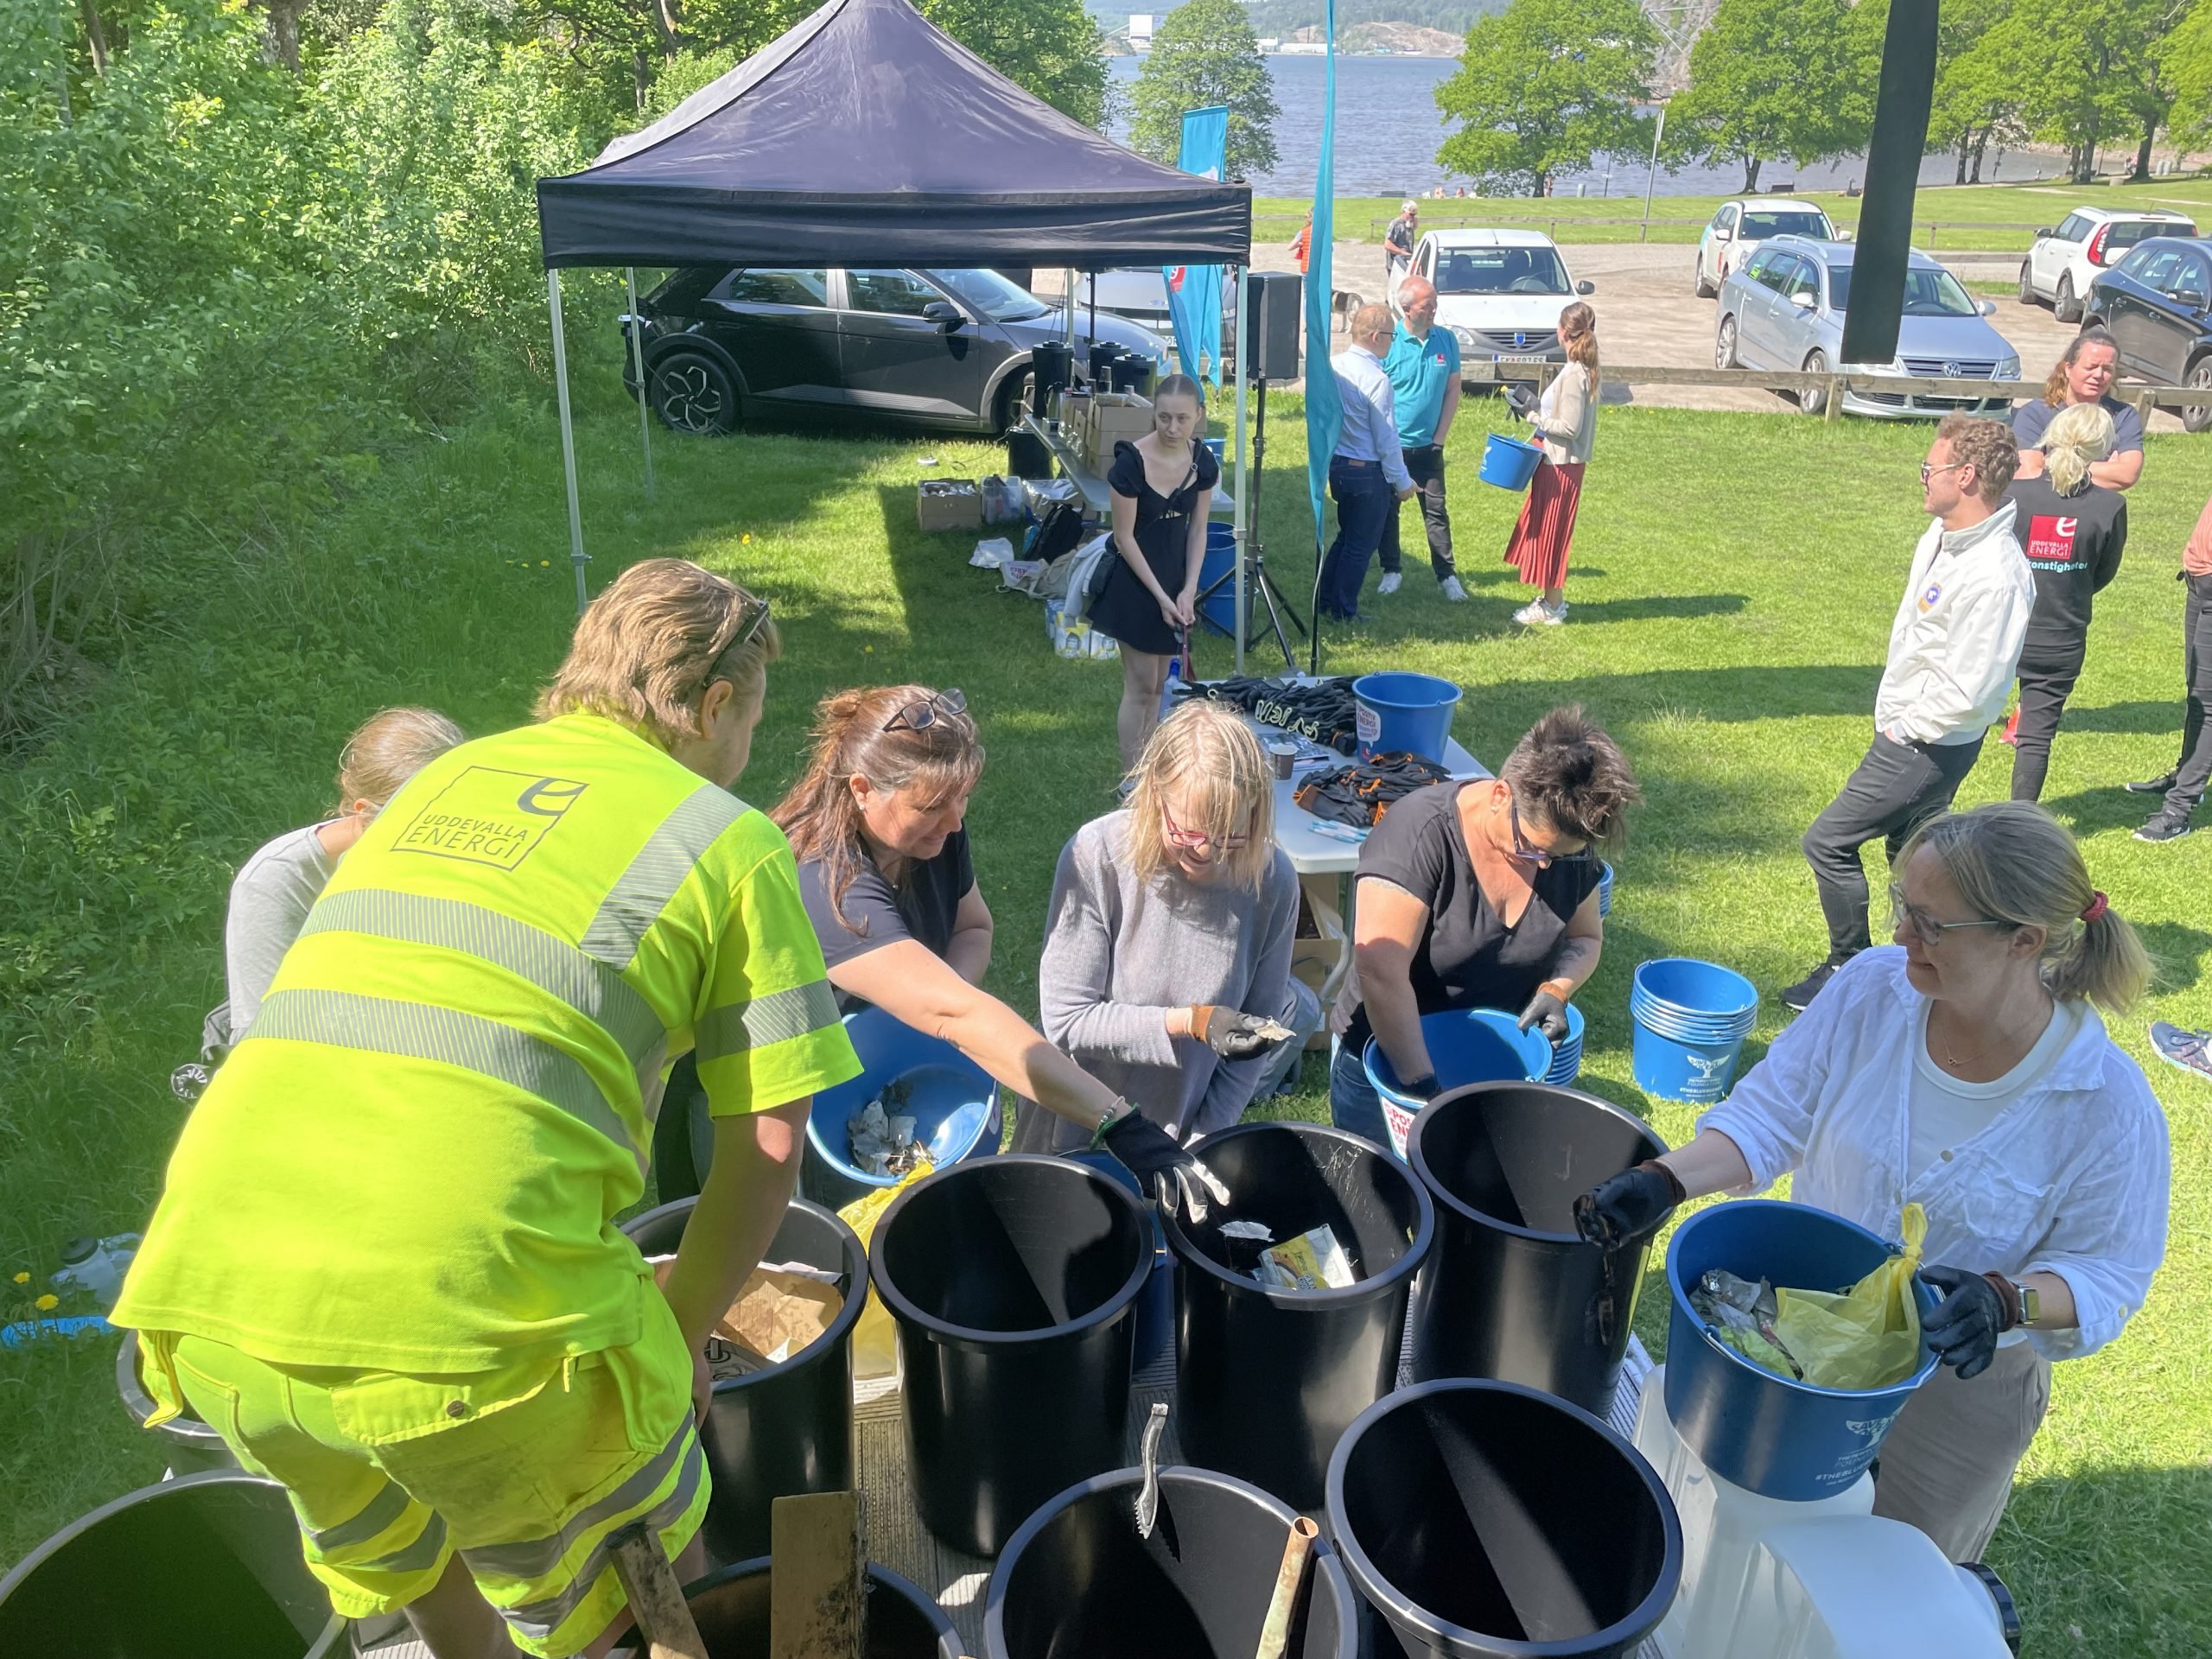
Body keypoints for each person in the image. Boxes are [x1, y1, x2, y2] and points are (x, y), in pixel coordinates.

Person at [114, 560, 864, 1659]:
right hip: (480, 1339)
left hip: (217, 1314)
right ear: (712, 707)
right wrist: (677, 1338)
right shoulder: (728, 839)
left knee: (437, 1596)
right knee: (654, 1582)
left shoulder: (432, 788)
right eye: (751, 717)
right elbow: (764, 1149)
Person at [1576, 803, 2170, 1566]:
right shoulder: (1872, 992)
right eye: (1902, 907)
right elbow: (1771, 1118)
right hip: (1802, 1334)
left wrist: (2003, 1299)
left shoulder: (2104, 1103)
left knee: (1897, 1571)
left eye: (1931, 924)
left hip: (1961, 1382)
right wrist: (1662, 1181)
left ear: (2022, 940)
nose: (1899, 937)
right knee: (1756, 1542)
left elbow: (2109, 1272)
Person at [772, 684, 1230, 1211]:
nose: (956, 821)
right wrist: (1119, 1120)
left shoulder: (932, 836)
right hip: (790, 1112)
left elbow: (973, 930)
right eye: (933, 805)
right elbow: (956, 1011)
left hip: (880, 1072)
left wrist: (924, 1020)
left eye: (961, 797)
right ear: (861, 789)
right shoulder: (828, 882)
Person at [1788, 417, 2031, 1012]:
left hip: (1925, 746)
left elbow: (1973, 691)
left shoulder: (1996, 577)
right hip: (1913, 734)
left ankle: (1846, 962)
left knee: (1828, 842)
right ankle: (1939, 963)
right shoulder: (1943, 535)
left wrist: (1905, 728)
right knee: (1913, 856)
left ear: (1966, 476)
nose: (1922, 479)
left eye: (1931, 470)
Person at [1330, 708, 1638, 1148]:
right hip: (1388, 1063)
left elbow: (1586, 938)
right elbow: (1381, 975)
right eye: (1533, 850)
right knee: (1380, 1206)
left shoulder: (1564, 848)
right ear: (1499, 796)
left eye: (1564, 856)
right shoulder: (1419, 837)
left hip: (1494, 1068)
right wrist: (1422, 1091)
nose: (1547, 866)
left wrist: (1557, 990)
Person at [1017, 702, 1307, 1153]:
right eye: (1189, 834)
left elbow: (1258, 1036)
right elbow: (1067, 1019)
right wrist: (1190, 1023)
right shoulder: (1098, 855)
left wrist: (1204, 1140)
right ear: (1154, 795)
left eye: (1230, 835)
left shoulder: (1271, 880)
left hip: (1181, 1124)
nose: (1209, 853)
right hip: (1075, 1119)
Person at [216, 707, 465, 1051]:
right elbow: (262, 1039)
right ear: (364, 816)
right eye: (427, 823)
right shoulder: (277, 883)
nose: (451, 837)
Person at [1089, 372, 1219, 767]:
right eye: (1164, 418)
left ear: (1198, 415)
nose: (1173, 427)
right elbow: (1124, 538)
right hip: (1135, 583)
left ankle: (1149, 769)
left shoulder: (1203, 462)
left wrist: (1189, 589)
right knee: (1142, 686)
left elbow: (1198, 529)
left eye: (1182, 418)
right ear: (1154, 414)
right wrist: (1162, 598)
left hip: (1176, 580)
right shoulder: (1130, 463)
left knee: (1162, 684)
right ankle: (1133, 779)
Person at [1999, 403, 2126, 803]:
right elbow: (2101, 574)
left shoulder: (2013, 495)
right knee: (2035, 737)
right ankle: (2019, 823)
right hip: (2061, 637)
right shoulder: (2111, 507)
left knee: (1961, 720)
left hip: (2002, 628)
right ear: (2104, 450)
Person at [1316, 303, 1419, 622]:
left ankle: (1325, 600)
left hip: (1339, 465)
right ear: (1376, 336)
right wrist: (1402, 482)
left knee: (1346, 537)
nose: (1394, 341)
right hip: (1366, 471)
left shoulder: (1334, 365)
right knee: (1361, 545)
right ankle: (1344, 610)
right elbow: (1386, 439)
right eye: (1392, 335)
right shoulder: (1376, 379)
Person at [1503, 303, 1600, 626]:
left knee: (1553, 535)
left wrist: (1533, 416)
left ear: (1563, 332)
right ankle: (1551, 600)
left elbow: (1569, 427)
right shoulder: (1579, 367)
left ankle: (1551, 606)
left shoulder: (1575, 374)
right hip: (1557, 463)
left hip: (1560, 467)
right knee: (1548, 532)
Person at [2128, 485, 2212, 843]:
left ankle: (2178, 810)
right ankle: (2185, 775)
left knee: (2209, 704)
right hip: (2198, 581)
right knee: (2197, 693)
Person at [1376, 276, 1468, 603]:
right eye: (1426, 306)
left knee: (1436, 511)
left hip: (1429, 447)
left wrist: (1439, 439)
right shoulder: (1389, 344)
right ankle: (1391, 570)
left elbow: (1453, 388)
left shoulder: (1446, 340)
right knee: (1388, 510)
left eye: (1435, 304)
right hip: (1392, 447)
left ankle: (1447, 575)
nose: (1433, 311)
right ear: (1406, 309)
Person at [2010, 329, 2143, 490]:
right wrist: (2105, 469)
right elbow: (2028, 474)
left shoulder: (2124, 416)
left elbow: (2126, 475)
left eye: (2107, 369)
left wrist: (2051, 463)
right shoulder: (2035, 414)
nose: (2098, 375)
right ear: (2068, 368)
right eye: (2090, 367)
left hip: (2097, 510)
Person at [1385, 200, 1419, 290]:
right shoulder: (1395, 224)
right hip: (1395, 264)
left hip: (1406, 262)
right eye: (1411, 214)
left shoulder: (1410, 223)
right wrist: (1403, 253)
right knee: (1397, 290)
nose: (1413, 217)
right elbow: (1388, 245)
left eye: (1414, 215)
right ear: (1404, 212)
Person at [1289, 211, 1313, 276]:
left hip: (1306, 266)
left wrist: (1301, 244)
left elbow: (1290, 247)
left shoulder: (1303, 231)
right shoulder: (1324, 231)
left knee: (1307, 286)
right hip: (1320, 267)